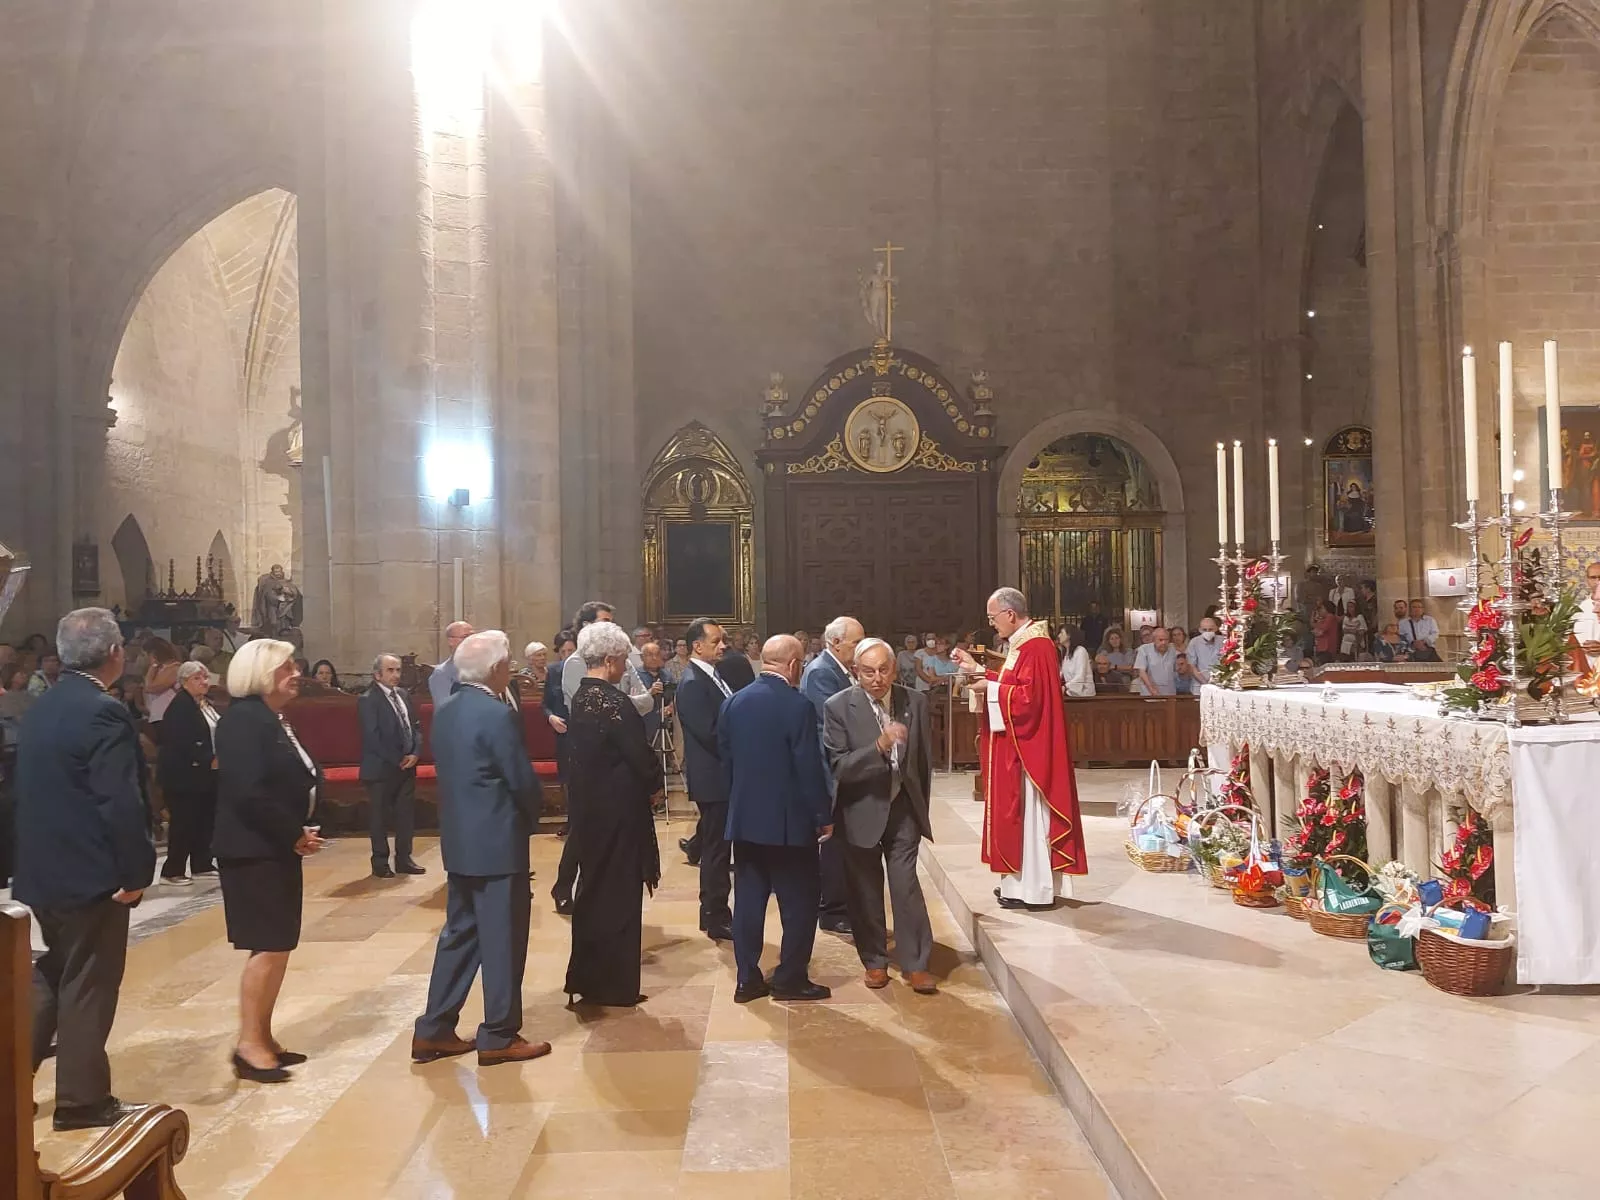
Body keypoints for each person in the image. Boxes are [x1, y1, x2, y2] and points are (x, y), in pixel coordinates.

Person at [14, 608, 155, 1129]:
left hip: (44, 870)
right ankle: (82, 1101)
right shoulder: (103, 711)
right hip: (89, 872)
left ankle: (10, 1083)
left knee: (54, 972)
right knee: (90, 982)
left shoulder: (42, 706)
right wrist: (137, 871)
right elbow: (118, 799)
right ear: (115, 653)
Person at [413, 631, 550, 1068]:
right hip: (498, 841)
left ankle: (433, 1028)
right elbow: (520, 777)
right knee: (503, 940)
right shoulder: (495, 713)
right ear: (496, 669)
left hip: (459, 840)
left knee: (460, 934)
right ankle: (499, 1035)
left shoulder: (447, 709)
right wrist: (534, 816)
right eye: (507, 663)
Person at [212, 639, 326, 1083]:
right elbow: (249, 791)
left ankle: (263, 1035)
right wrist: (293, 832)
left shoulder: (268, 718)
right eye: (285, 668)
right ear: (260, 674)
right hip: (251, 848)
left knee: (278, 944)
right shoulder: (244, 720)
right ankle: (249, 1044)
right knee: (267, 945)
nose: (295, 672)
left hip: (271, 845)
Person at [952, 588, 1087, 910]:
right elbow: (1013, 683)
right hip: (1015, 745)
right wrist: (977, 671)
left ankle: (1035, 889)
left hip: (1029, 749)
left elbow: (1031, 700)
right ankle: (1016, 885)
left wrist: (991, 686)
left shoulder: (1037, 645)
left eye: (993, 617)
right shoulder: (1022, 643)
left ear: (1010, 614)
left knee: (1027, 817)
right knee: (1014, 816)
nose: (992, 624)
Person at [720, 635, 835, 1003]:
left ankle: (746, 979)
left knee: (749, 901)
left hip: (746, 821)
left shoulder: (733, 703)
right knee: (799, 901)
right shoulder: (796, 705)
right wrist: (822, 814)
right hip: (789, 824)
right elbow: (808, 767)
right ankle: (790, 979)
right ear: (795, 664)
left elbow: (726, 759)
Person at [822, 638, 936, 994]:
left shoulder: (914, 701)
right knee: (866, 891)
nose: (876, 678)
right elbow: (839, 766)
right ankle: (874, 961)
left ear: (894, 668)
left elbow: (923, 763)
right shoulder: (838, 707)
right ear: (856, 671)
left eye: (883, 670)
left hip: (903, 810)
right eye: (868, 671)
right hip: (861, 810)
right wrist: (879, 746)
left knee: (906, 887)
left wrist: (919, 810)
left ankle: (916, 963)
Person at [563, 622, 663, 1007]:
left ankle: (588, 978)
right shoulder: (614, 702)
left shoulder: (580, 700)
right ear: (609, 660)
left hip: (590, 811)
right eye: (622, 661)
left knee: (592, 891)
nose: (624, 667)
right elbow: (640, 755)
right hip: (619, 814)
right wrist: (654, 783)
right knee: (620, 896)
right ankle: (615, 986)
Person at [799, 616, 865, 937]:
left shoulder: (839, 669)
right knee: (835, 842)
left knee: (846, 841)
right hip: (832, 769)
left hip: (846, 766)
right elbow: (830, 727)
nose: (861, 648)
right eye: (855, 643)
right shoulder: (822, 672)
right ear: (835, 642)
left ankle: (844, 902)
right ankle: (832, 909)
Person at [675, 618, 736, 941]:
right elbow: (710, 733)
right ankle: (715, 915)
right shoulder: (693, 683)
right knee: (716, 851)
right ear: (697, 646)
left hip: (722, 776)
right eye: (716, 641)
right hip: (713, 778)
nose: (722, 645)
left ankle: (715, 912)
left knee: (720, 847)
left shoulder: (712, 675)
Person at [360, 652, 424, 879]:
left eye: (398, 670)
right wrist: (396, 759)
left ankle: (404, 858)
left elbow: (415, 726)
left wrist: (415, 752)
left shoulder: (404, 695)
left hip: (406, 766)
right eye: (390, 670)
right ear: (377, 674)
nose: (396, 675)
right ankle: (380, 862)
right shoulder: (369, 699)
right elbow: (372, 736)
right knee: (380, 817)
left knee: (405, 815)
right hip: (381, 768)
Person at [158, 661, 221, 886]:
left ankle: (202, 863)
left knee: (204, 820)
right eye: (197, 678)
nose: (204, 682)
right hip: (184, 775)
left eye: (205, 677)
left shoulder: (204, 704)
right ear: (184, 682)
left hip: (205, 773)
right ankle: (172, 870)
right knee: (184, 822)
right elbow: (182, 741)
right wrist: (208, 759)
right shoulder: (180, 707)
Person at [561, 601, 654, 717]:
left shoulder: (623, 660)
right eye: (605, 621)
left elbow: (648, 701)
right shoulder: (575, 663)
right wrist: (627, 700)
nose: (611, 627)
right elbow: (592, 708)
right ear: (587, 626)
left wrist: (615, 701)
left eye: (612, 622)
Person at [428, 620, 475, 710]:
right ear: (451, 641)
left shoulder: (482, 667)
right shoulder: (442, 674)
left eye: (473, 636)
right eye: (466, 637)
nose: (471, 641)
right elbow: (446, 710)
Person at [1133, 626, 1179, 696]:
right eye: (1160, 640)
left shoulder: (1173, 650)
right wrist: (1152, 689)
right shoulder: (1144, 649)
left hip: (1170, 695)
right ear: (1154, 640)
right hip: (1149, 695)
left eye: (1166, 640)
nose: (1164, 642)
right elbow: (1142, 672)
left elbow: (1177, 669)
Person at [1059, 625, 1095, 698]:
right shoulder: (1066, 653)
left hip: (1085, 694)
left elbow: (1080, 675)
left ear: (1069, 636)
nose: (1059, 636)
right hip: (1071, 692)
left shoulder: (1080, 651)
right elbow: (1061, 674)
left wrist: (1065, 687)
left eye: (1061, 633)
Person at [1188, 616, 1223, 684]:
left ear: (1216, 629)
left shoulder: (1223, 641)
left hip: (1220, 683)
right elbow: (1192, 666)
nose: (1208, 632)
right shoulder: (1194, 642)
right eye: (1204, 629)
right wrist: (1205, 683)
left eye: (1210, 629)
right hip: (1199, 684)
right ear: (1200, 630)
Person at [1311, 601, 1340, 665]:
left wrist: (1317, 630)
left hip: (1327, 648)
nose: (1320, 610)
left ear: (1327, 609)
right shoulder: (1323, 619)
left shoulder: (1330, 617)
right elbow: (1313, 626)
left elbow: (1322, 629)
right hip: (1321, 647)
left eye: (1321, 608)